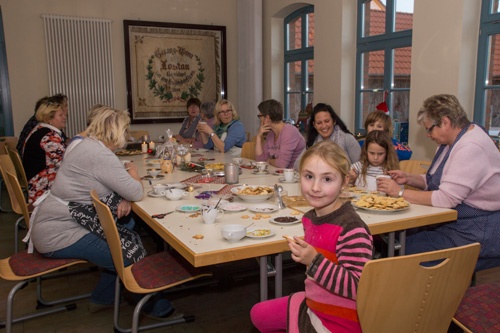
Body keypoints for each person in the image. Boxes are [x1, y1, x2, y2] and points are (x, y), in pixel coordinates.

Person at [28, 106, 180, 318]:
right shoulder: (99, 155)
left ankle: (104, 297)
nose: (126, 136)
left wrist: (123, 194)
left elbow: (109, 181)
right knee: (125, 253)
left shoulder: (87, 145)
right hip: (59, 234)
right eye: (125, 130)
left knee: (123, 233)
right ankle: (153, 305)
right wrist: (133, 174)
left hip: (57, 223)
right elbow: (136, 191)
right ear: (116, 131)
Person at [251, 140, 373, 333]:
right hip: (315, 302)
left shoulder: (351, 228)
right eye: (309, 176)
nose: (315, 187)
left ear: (345, 181)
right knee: (258, 314)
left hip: (339, 321)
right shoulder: (310, 218)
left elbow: (358, 287)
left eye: (327, 179)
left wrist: (314, 261)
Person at [377, 94, 500, 271]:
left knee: (408, 248)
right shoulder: (449, 142)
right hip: (455, 220)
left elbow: (446, 199)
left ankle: (425, 293)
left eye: (429, 129)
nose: (428, 135)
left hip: (478, 227)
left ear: (445, 122)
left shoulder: (470, 147)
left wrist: (400, 193)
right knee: (392, 237)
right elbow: (435, 181)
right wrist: (409, 178)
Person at [22, 100, 67, 204]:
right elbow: (65, 163)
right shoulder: (49, 136)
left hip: (36, 183)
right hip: (43, 189)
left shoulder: (39, 129)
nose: (64, 117)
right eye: (60, 115)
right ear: (49, 118)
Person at [294, 103, 361, 169]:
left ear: (334, 121)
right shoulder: (312, 142)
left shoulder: (347, 139)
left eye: (327, 121)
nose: (323, 126)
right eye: (319, 123)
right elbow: (297, 165)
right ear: (314, 125)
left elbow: (361, 165)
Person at [255, 99, 306, 168]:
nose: (260, 119)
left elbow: (282, 164)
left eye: (260, 116)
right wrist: (258, 136)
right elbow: (260, 162)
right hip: (280, 175)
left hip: (295, 175)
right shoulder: (271, 134)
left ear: (267, 118)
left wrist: (269, 161)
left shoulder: (289, 131)